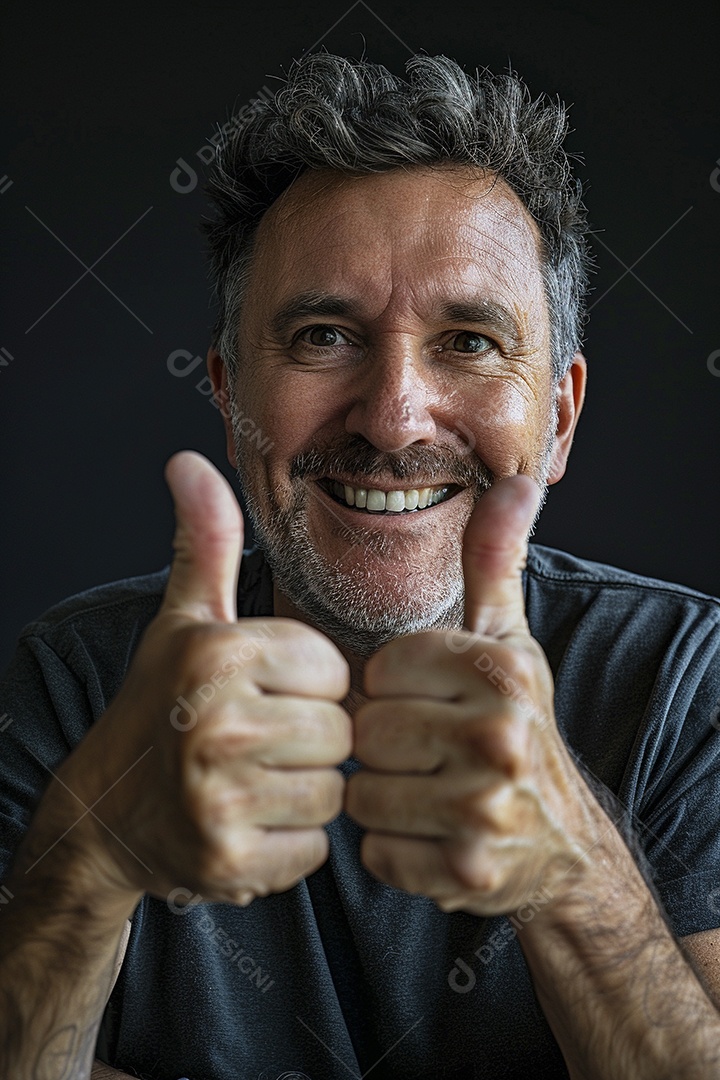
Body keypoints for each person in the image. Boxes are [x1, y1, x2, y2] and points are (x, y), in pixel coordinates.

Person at [1, 51, 719, 1080]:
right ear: (228, 390)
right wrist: (94, 859)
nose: (392, 418)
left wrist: (574, 873)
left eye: (468, 341)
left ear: (558, 417)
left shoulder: (687, 678)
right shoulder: (77, 686)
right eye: (324, 334)